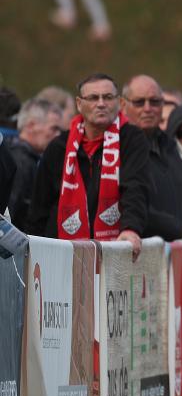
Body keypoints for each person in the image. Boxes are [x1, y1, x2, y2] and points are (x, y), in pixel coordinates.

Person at [27, 73, 149, 258]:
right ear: (79, 104)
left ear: (119, 103)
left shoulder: (132, 139)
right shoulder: (59, 147)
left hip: (114, 252)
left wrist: (131, 228)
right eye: (93, 98)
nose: (101, 103)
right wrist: (33, 252)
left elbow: (135, 187)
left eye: (108, 97)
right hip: (62, 255)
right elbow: (39, 207)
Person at [122, 75, 182, 253]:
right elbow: (136, 209)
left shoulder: (170, 145)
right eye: (139, 102)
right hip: (137, 255)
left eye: (155, 102)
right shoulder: (118, 147)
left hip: (171, 258)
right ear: (123, 105)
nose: (148, 108)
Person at [7, 99, 64, 228]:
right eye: (54, 128)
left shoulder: (16, 155)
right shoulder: (21, 163)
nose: (58, 135)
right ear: (31, 125)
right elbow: (9, 214)